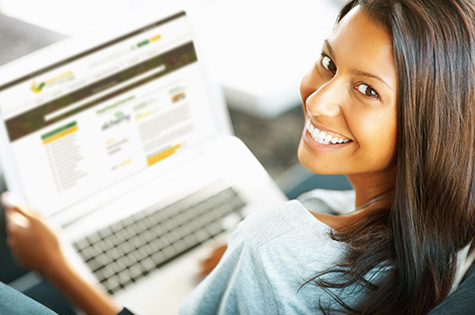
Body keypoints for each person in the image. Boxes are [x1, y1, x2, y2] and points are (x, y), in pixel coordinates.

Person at [3, 0, 475, 313]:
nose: (317, 101)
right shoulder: (454, 228)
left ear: (431, 124)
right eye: (329, 62)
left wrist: (59, 268)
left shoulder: (275, 248)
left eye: (367, 90)